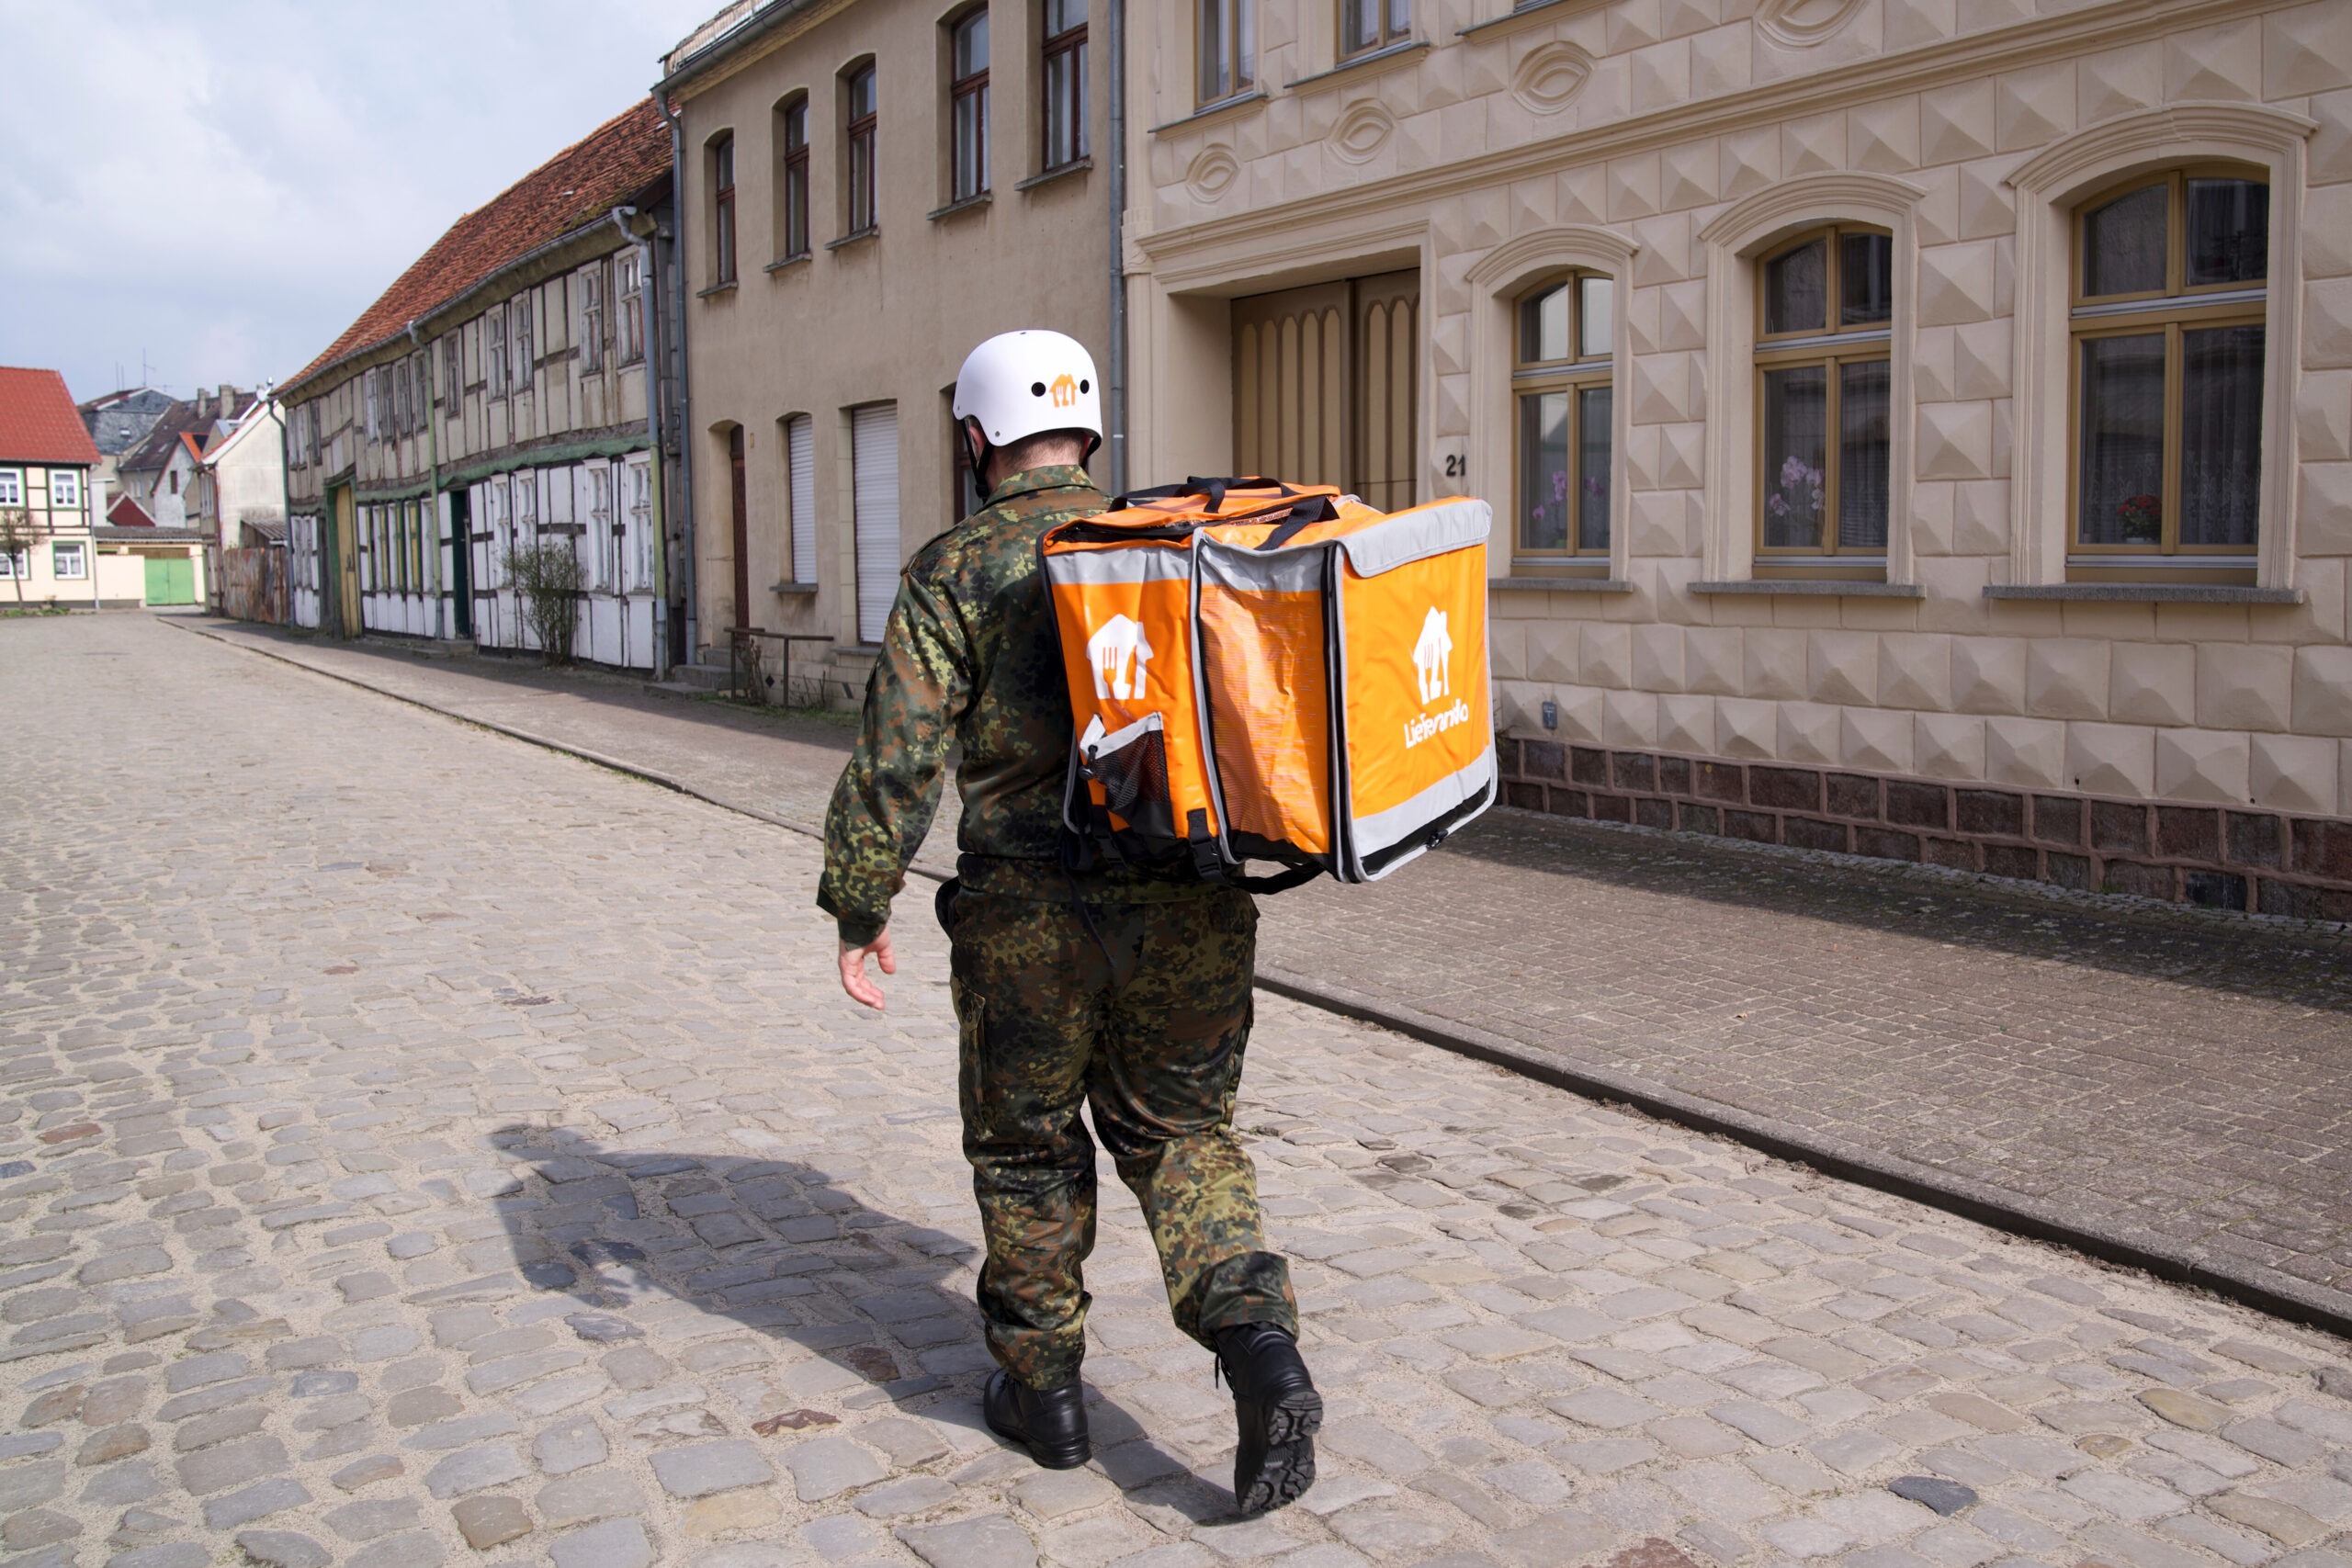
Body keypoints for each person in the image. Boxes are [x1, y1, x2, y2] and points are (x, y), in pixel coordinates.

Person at [818, 330, 1321, 1515]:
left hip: (1029, 917)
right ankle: (1260, 1346)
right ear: (1091, 433)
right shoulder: (1177, 543)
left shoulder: (957, 568)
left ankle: (1043, 1394)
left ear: (975, 437)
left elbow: (901, 757)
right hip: (1192, 898)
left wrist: (859, 901)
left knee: (1028, 1143)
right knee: (1186, 1133)